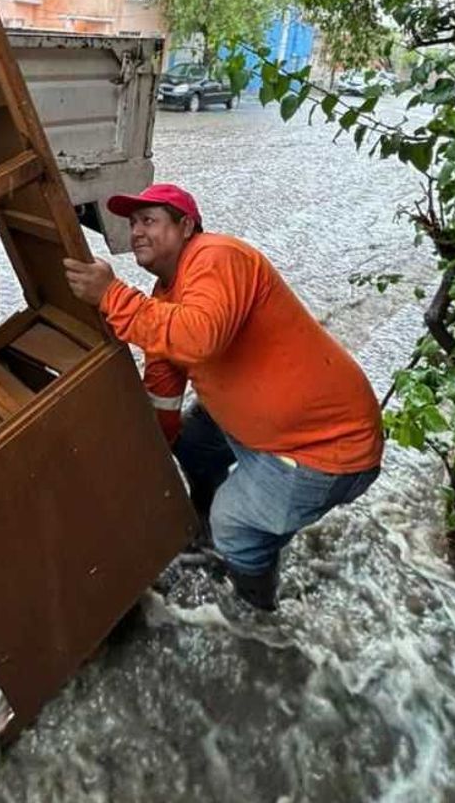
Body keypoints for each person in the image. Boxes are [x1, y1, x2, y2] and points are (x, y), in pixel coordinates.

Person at [62, 183, 382, 611]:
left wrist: (112, 296)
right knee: (193, 444)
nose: (137, 231)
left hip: (326, 449)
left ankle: (257, 609)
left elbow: (199, 338)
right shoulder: (165, 297)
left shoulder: (216, 255)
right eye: (133, 223)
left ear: (186, 226)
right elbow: (162, 386)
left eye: (150, 220)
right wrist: (142, 461)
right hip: (265, 428)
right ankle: (203, 525)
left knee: (234, 526)